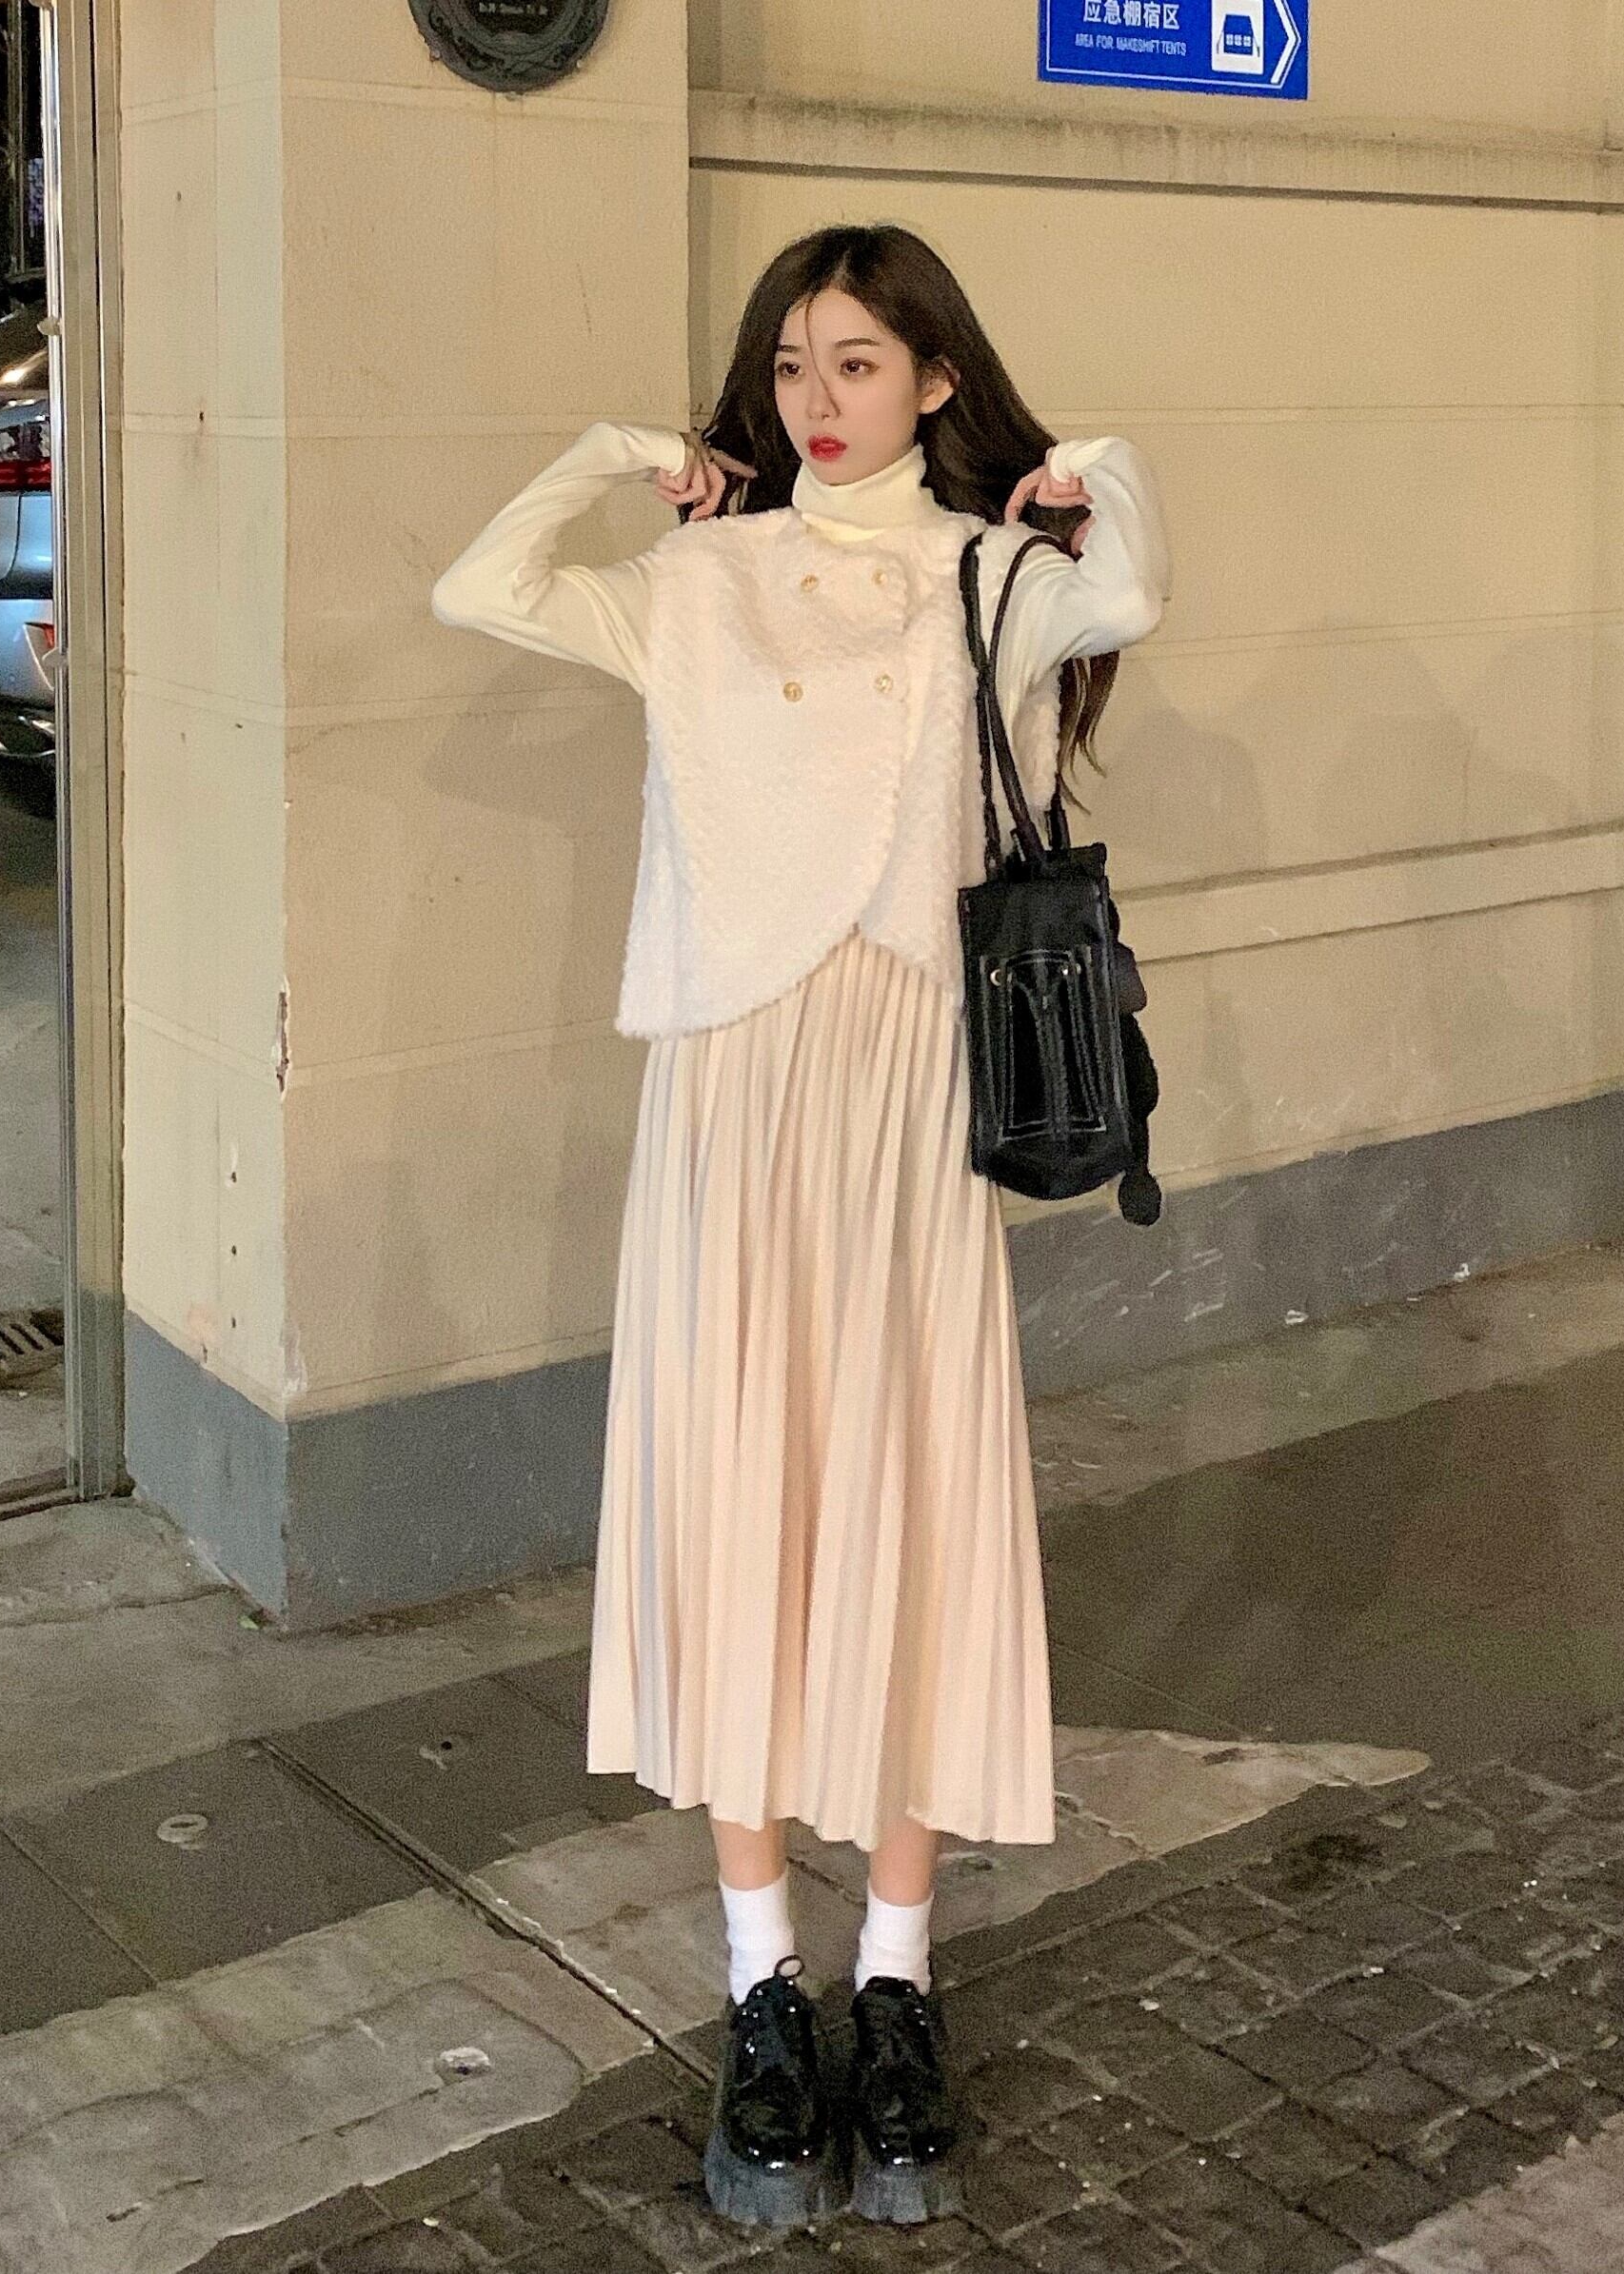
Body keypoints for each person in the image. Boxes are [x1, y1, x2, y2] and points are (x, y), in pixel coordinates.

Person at [432, 222, 1171, 2231]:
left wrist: (1085, 468)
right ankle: (764, 1975)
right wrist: (621, 453)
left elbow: (1130, 581)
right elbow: (480, 586)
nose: (816, 398)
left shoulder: (988, 577)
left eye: (856, 361)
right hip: (735, 1096)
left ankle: (896, 1979)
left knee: (913, 1501)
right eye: (788, 363)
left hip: (907, 1089)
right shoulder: (704, 578)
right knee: (741, 1497)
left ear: (935, 377)